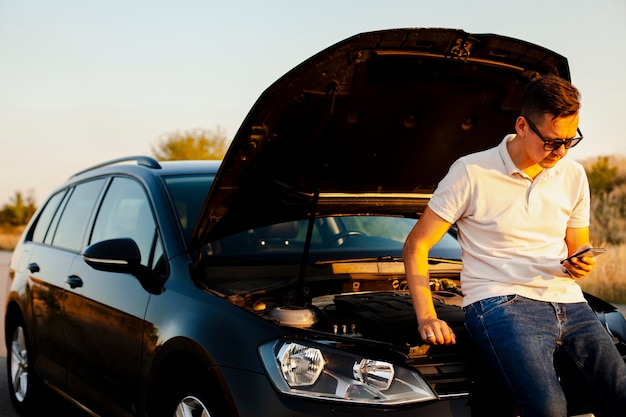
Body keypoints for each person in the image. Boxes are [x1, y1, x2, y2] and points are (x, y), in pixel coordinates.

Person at [402, 73, 626, 417]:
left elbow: (576, 249)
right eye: (552, 141)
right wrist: (427, 316)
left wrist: (581, 263)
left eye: (571, 140)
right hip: (500, 302)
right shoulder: (471, 172)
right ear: (522, 125)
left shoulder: (573, 175)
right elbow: (417, 244)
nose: (562, 151)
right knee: (548, 408)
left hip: (569, 300)